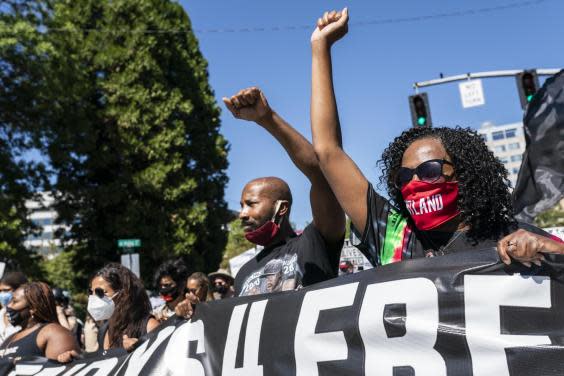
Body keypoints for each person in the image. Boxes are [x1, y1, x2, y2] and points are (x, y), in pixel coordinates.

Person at [309, 9, 564, 267]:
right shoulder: (394, 237)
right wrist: (320, 47)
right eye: (404, 177)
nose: (414, 182)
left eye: (429, 170)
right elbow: (328, 151)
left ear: (465, 174)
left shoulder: (514, 239)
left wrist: (549, 248)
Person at [222, 87, 346, 296]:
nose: (242, 214)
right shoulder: (243, 273)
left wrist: (266, 118)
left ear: (281, 208)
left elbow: (320, 173)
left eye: (251, 204)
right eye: (242, 206)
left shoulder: (315, 243)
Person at [88, 263, 159, 354]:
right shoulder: (104, 331)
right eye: (91, 292)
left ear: (124, 294)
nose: (94, 298)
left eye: (99, 292)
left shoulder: (148, 326)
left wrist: (141, 348)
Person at [0, 282, 79, 363]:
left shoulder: (53, 333)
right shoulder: (10, 338)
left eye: (15, 302)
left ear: (33, 308)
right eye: (10, 302)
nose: (8, 306)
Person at [0, 272, 27, 346]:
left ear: (20, 289)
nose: (2, 294)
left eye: (6, 290)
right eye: (0, 291)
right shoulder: (1, 314)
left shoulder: (27, 318)